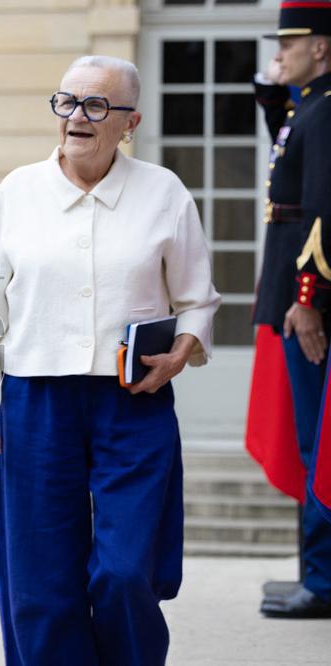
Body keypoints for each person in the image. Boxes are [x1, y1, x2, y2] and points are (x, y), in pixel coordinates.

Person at [0, 56, 220, 665]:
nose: (76, 117)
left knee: (125, 573)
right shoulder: (17, 191)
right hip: (37, 402)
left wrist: (182, 350)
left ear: (130, 122)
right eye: (66, 102)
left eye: (96, 105)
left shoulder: (164, 191)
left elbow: (199, 299)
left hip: (134, 400)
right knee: (41, 582)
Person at [246, 1, 331, 619]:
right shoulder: (310, 107)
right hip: (290, 293)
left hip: (308, 305)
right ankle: (313, 573)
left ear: (321, 47)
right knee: (306, 442)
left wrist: (308, 301)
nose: (282, 52)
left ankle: (323, 583)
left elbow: (324, 211)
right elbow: (288, 151)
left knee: (316, 444)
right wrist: (274, 95)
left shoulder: (326, 111)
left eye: (291, 43)